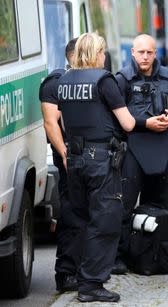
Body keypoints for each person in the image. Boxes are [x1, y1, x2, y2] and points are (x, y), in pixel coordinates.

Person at [57, 32, 154, 302]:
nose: (104, 57)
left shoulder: (63, 81)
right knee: (106, 221)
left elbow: (65, 124)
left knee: (81, 218)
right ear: (97, 53)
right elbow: (128, 124)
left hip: (74, 158)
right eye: (102, 52)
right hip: (101, 160)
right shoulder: (103, 80)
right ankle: (91, 284)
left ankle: (79, 275)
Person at [114, 34, 168, 274]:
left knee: (164, 205)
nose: (145, 56)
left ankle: (162, 256)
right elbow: (116, 120)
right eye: (140, 52)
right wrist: (145, 124)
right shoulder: (122, 80)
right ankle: (119, 256)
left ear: (155, 54)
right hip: (133, 150)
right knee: (125, 206)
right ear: (132, 52)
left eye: (149, 52)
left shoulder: (167, 78)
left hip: (163, 149)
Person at [40, 37, 79, 293]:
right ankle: (65, 273)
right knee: (71, 214)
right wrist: (64, 154)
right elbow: (51, 122)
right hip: (70, 156)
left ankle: (86, 270)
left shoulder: (97, 79)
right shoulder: (56, 82)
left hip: (94, 156)